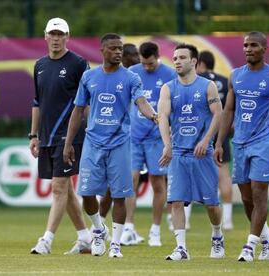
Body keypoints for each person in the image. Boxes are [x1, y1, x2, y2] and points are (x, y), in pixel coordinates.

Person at [63, 33, 157, 258]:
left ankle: (114, 244)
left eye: (120, 49)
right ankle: (98, 230)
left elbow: (141, 101)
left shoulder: (131, 78)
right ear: (102, 50)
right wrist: (68, 143)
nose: (118, 52)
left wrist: (153, 115)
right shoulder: (89, 77)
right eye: (113, 48)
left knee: (119, 195)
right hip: (93, 142)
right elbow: (77, 111)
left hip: (120, 144)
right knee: (85, 193)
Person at [213, 31, 269, 262]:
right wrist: (219, 142)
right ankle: (268, 241)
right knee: (246, 199)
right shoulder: (235, 76)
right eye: (245, 45)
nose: (248, 49)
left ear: (264, 49)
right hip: (240, 143)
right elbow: (229, 111)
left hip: (264, 142)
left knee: (258, 194)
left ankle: (249, 246)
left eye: (253, 45)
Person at [29, 17, 91, 255]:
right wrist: (33, 134)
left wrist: (93, 129)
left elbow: (87, 102)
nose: (56, 38)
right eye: (52, 34)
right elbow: (37, 102)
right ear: (45, 36)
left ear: (67, 36)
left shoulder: (78, 63)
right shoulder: (40, 65)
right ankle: (85, 238)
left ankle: (46, 240)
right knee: (67, 191)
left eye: (60, 34)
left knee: (59, 188)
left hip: (70, 137)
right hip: (46, 136)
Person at [158, 43, 225, 261]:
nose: (176, 61)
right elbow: (163, 117)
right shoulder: (168, 88)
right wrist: (167, 144)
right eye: (175, 58)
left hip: (202, 154)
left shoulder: (208, 86)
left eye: (181, 58)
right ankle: (181, 248)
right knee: (176, 202)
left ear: (194, 61)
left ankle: (217, 236)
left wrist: (207, 140)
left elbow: (218, 114)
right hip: (178, 153)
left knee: (211, 205)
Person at [120, 41, 176, 247]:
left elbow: (175, 103)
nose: (146, 67)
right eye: (143, 63)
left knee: (158, 183)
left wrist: (171, 126)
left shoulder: (169, 74)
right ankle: (129, 228)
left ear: (158, 56)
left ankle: (155, 230)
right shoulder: (132, 72)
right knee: (131, 181)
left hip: (156, 138)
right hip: (134, 136)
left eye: (150, 64)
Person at [97, 43, 141, 238]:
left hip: (129, 139)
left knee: (124, 186)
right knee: (112, 187)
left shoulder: (132, 77)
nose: (137, 58)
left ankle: (126, 228)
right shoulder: (103, 77)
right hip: (107, 139)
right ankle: (100, 226)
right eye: (134, 55)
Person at [197, 50, 234, 230]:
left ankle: (185, 221)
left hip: (200, 132)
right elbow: (230, 108)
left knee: (190, 175)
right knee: (224, 175)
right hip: (221, 132)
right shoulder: (225, 80)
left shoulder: (198, 80)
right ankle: (227, 220)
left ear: (200, 63)